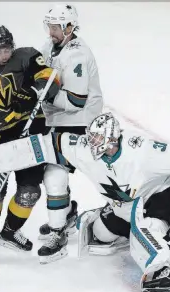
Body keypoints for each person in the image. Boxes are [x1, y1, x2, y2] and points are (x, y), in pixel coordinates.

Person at [0, 112, 170, 292]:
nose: (92, 143)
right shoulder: (84, 149)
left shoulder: (143, 151)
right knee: (98, 235)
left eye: (98, 140)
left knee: (149, 229)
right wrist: (9, 154)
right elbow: (50, 144)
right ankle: (128, 230)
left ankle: (167, 270)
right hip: (125, 203)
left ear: (113, 139)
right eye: (91, 138)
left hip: (162, 193)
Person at [0, 25, 60, 253]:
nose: (3, 55)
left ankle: (10, 231)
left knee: (30, 191)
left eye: (7, 50)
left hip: (31, 132)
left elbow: (51, 79)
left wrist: (32, 95)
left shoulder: (28, 57)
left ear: (13, 46)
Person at [37, 3, 104, 264]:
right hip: (59, 120)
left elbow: (76, 101)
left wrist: (46, 92)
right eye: (49, 26)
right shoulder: (51, 45)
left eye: (55, 26)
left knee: (54, 175)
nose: (51, 31)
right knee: (53, 174)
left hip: (81, 123)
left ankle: (59, 232)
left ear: (69, 27)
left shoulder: (78, 55)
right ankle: (65, 217)